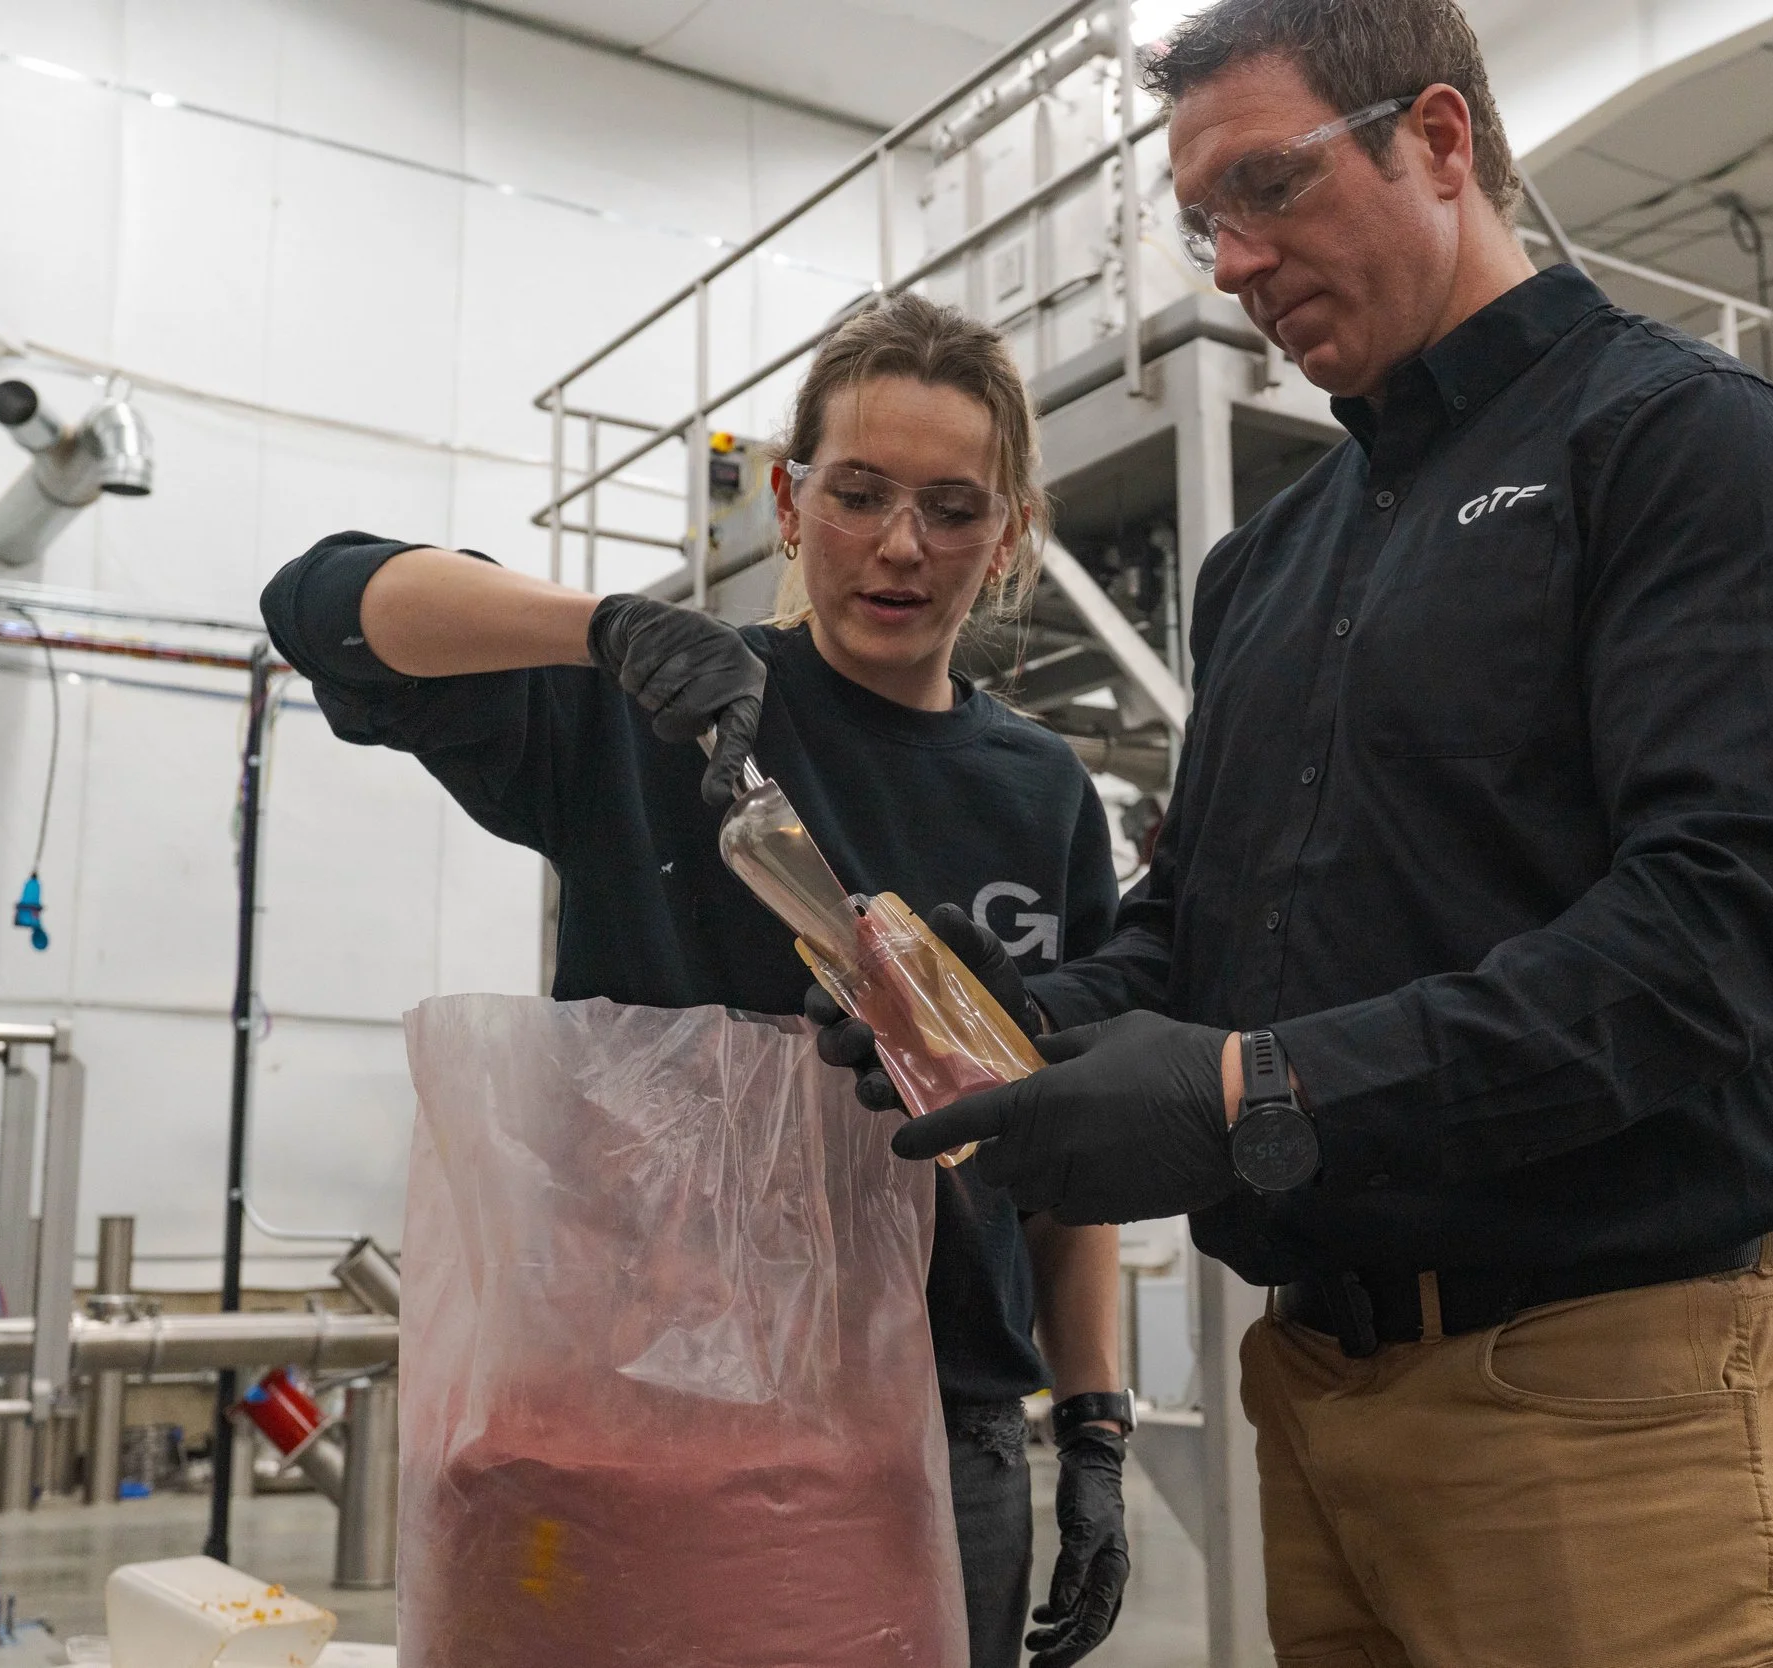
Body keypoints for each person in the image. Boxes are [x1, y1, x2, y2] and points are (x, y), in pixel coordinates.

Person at [882, 3, 1773, 1664]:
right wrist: (1016, 1027)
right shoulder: (1269, 565)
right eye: (1203, 224)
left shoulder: (1683, 446)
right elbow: (1200, 917)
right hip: (1318, 1392)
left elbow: (1721, 942)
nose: (1233, 264)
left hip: (1603, 1391)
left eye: (1268, 188)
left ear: (1437, 139)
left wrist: (1251, 1096)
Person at [259, 293, 1134, 1668]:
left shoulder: (1043, 795)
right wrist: (603, 629)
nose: (901, 545)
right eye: (859, 494)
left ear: (1011, 535)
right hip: (636, 1408)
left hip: (940, 1424)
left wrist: (1093, 1427)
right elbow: (321, 605)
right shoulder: (661, 717)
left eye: (954, 509)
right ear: (789, 503)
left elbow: (1065, 1155)